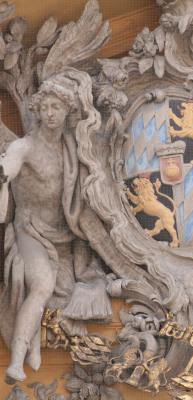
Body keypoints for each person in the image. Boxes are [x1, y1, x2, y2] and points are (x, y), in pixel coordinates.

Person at [0, 70, 109, 382]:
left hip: (67, 234)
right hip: (30, 231)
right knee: (43, 285)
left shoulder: (74, 148)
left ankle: (35, 342)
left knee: (67, 292)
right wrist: (3, 173)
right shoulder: (26, 146)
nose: (49, 113)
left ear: (68, 111)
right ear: (37, 109)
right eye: (45, 107)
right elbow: (11, 161)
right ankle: (16, 360)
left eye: (56, 107)